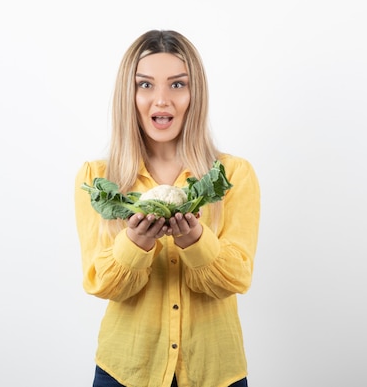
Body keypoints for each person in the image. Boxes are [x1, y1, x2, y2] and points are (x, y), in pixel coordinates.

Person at [74, 30, 260, 387]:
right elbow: (100, 283)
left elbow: (237, 277)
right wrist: (135, 245)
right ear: (128, 95)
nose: (161, 100)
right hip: (125, 372)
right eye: (145, 85)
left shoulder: (233, 175)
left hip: (215, 372)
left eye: (177, 85)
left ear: (195, 95)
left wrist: (195, 239)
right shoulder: (99, 180)